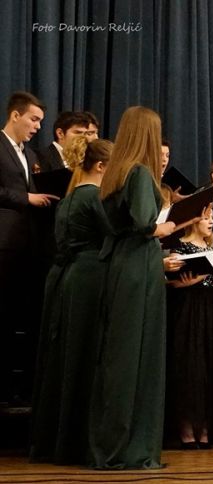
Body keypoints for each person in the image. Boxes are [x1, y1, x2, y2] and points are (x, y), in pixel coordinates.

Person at [89, 106, 185, 469]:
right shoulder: (142, 173)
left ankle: (110, 443)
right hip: (140, 267)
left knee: (117, 358)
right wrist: (168, 226)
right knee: (140, 357)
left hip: (118, 265)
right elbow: (147, 224)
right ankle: (133, 448)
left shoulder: (115, 172)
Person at [29, 138, 112, 464]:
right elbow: (114, 237)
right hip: (89, 280)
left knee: (63, 357)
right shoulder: (93, 198)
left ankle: (55, 438)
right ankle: (77, 441)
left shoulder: (68, 199)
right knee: (83, 357)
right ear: (102, 166)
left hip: (65, 279)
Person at [0, 91, 55, 406]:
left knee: (23, 321)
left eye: (40, 122)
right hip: (4, 246)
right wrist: (27, 199)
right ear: (15, 115)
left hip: (29, 249)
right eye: (33, 119)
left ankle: (16, 389)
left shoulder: (32, 156)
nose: (37, 126)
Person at [166, 209, 213, 450]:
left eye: (211, 219)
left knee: (212, 363)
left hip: (211, 307)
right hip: (188, 307)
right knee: (190, 364)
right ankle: (185, 428)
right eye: (205, 218)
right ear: (194, 221)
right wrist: (191, 279)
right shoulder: (181, 246)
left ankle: (204, 428)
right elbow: (170, 280)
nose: (210, 222)